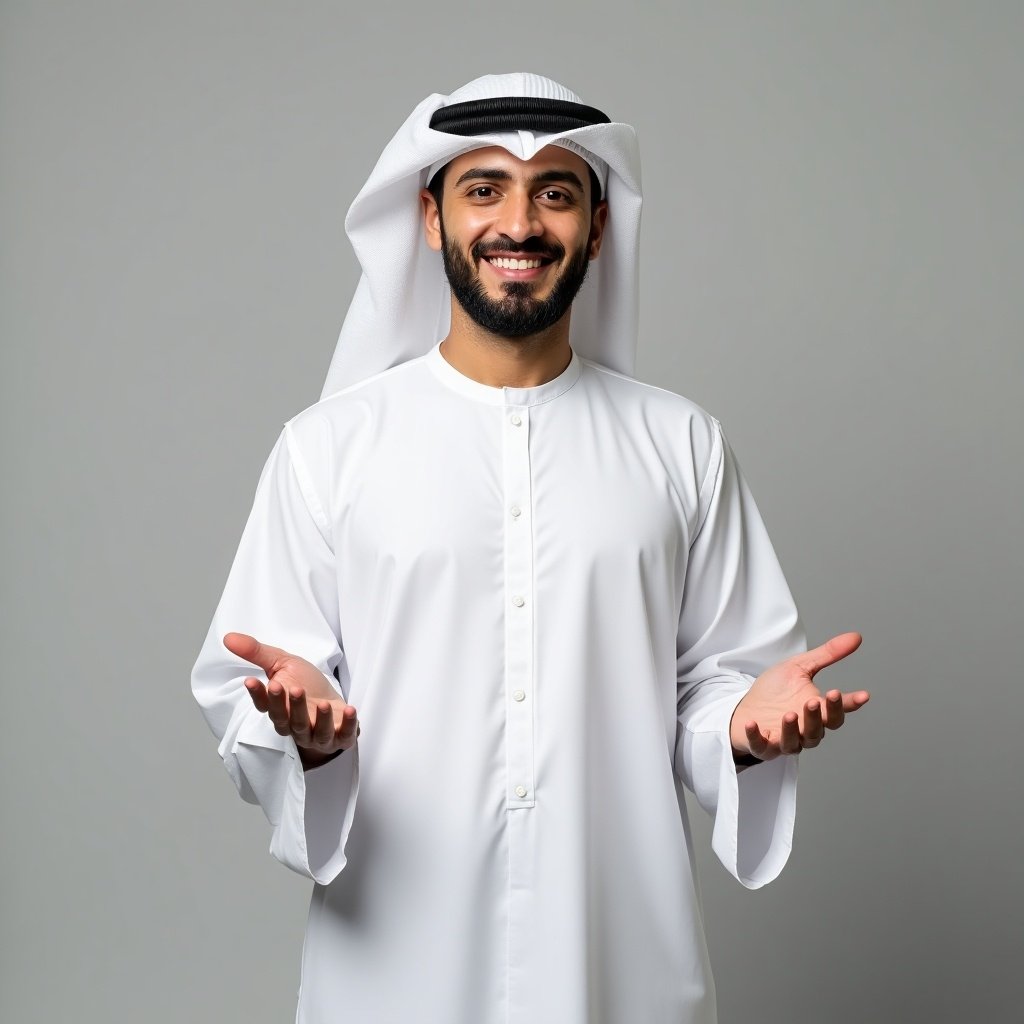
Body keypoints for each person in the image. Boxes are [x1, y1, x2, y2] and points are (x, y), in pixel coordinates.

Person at [191, 72, 869, 1024]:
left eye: (555, 192)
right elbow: (248, 688)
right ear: (430, 218)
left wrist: (744, 736)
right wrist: (305, 740)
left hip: (619, 965)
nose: (520, 223)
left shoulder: (679, 445)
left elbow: (719, 684)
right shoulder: (328, 449)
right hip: (395, 972)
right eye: (484, 190)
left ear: (596, 228)